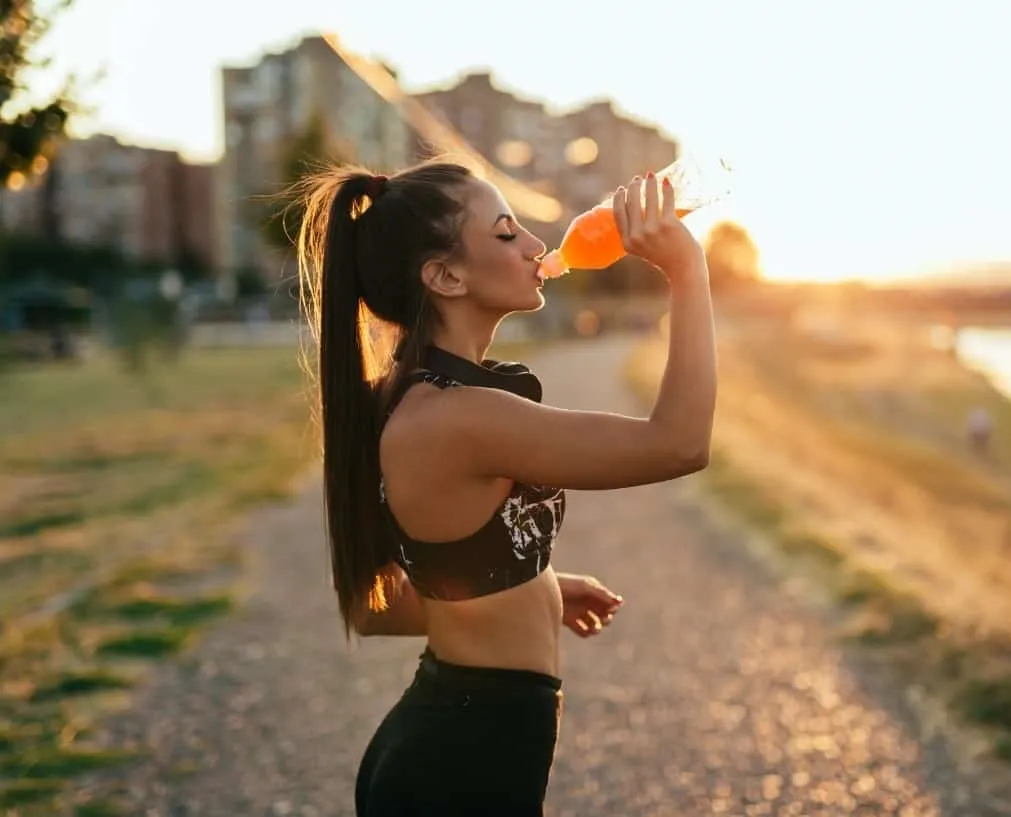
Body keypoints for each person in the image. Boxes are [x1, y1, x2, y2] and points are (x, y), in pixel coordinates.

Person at [293, 158, 716, 815]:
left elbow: (370, 608)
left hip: (453, 745)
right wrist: (687, 272)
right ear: (445, 275)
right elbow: (680, 443)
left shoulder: (417, 397)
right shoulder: (461, 416)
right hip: (460, 765)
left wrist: (529, 589)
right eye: (505, 232)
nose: (536, 245)